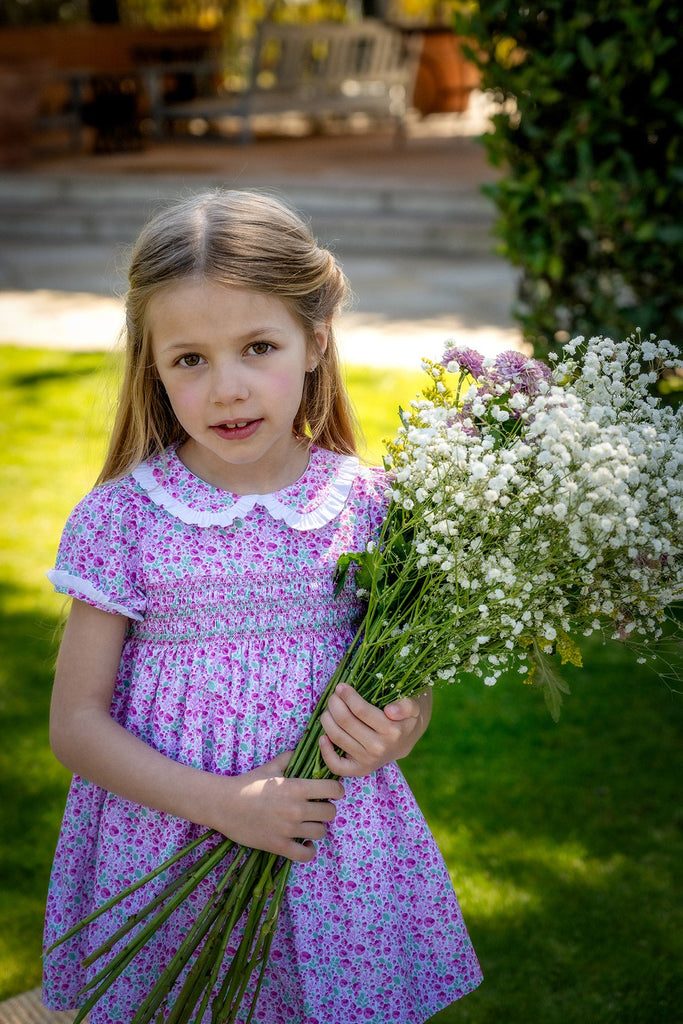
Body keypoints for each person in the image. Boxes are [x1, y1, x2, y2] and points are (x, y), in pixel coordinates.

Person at [43, 190, 482, 1023]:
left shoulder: (370, 506)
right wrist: (220, 806)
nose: (227, 390)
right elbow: (75, 724)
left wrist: (401, 723)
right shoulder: (122, 517)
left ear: (315, 341)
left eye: (257, 347)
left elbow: (402, 683)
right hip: (169, 845)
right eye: (190, 360)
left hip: (332, 847)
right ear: (152, 366)